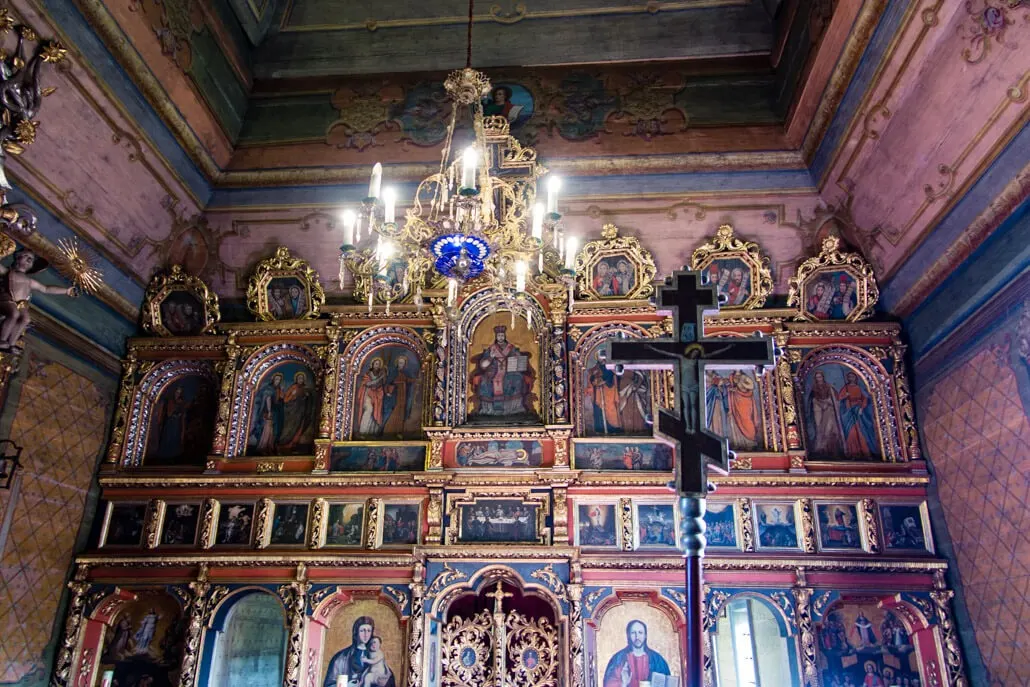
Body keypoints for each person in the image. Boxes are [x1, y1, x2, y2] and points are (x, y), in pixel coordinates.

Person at [0, 249, 76, 350]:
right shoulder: (9, 272)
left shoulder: (30, 281)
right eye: (26, 256)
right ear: (18, 258)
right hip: (7, 299)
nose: (28, 259)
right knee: (14, 314)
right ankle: (2, 339)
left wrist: (66, 291)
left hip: (21, 304)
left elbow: (46, 289)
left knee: (26, 319)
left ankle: (11, 343)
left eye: (31, 259)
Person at [469, 325, 535, 418]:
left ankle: (514, 408)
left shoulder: (511, 348)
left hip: (510, 371)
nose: (501, 337)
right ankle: (489, 409)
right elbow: (483, 365)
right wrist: (490, 357)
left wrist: (516, 357)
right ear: (496, 336)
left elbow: (519, 359)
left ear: (505, 336)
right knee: (485, 381)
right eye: (499, 335)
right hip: (493, 371)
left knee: (517, 379)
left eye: (502, 335)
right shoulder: (491, 349)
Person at [324, 617, 395, 687]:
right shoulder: (341, 657)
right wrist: (347, 685)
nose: (366, 634)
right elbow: (329, 684)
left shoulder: (376, 654)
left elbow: (387, 678)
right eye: (362, 631)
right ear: (356, 633)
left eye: (368, 631)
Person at [602, 620, 671, 687]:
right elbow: (609, 683)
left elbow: (667, 682)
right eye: (633, 633)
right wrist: (623, 683)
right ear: (628, 635)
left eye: (640, 633)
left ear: (645, 635)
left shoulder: (657, 660)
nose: (637, 637)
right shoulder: (618, 659)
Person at [838, 371, 878, 458]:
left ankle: (865, 452)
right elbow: (839, 398)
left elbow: (865, 399)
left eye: (852, 376)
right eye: (849, 377)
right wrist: (845, 395)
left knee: (861, 431)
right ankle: (853, 453)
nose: (851, 378)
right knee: (851, 432)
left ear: (856, 378)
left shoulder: (859, 388)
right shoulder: (845, 388)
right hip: (849, 412)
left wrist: (861, 408)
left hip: (858, 411)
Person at [807, 370, 845, 457]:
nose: (819, 379)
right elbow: (812, 401)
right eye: (817, 378)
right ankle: (821, 448)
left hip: (829, 410)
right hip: (819, 410)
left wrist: (829, 402)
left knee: (830, 428)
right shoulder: (814, 389)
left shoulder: (829, 387)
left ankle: (834, 449)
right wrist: (820, 403)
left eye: (820, 377)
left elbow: (835, 400)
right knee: (820, 428)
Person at [148, 384, 189, 462]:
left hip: (177, 424)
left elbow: (183, 414)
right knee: (168, 437)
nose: (178, 393)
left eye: (179, 392)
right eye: (177, 392)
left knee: (175, 438)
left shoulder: (182, 402)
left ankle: (175, 454)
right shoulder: (170, 401)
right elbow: (168, 413)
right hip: (170, 423)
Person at [382, 355, 418, 437]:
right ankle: (389, 430)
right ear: (397, 363)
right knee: (396, 410)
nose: (401, 364)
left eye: (402, 363)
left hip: (403, 393)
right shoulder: (394, 372)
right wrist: (387, 391)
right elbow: (387, 382)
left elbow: (407, 380)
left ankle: (398, 431)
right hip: (396, 393)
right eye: (400, 363)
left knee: (401, 411)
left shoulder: (403, 373)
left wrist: (416, 380)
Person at [250, 373, 284, 455]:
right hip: (268, 411)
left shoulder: (278, 389)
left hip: (276, 411)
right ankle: (263, 447)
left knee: (274, 430)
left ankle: (270, 447)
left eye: (279, 380)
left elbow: (280, 400)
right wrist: (269, 411)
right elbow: (267, 399)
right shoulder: (269, 388)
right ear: (273, 380)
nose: (277, 381)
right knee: (267, 429)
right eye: (276, 379)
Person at [726, 372, 761, 450]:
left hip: (745, 401)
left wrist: (741, 384)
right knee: (736, 420)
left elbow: (751, 386)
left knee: (746, 419)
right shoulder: (731, 376)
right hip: (735, 400)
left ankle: (751, 439)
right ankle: (740, 442)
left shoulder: (744, 376)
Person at [587, 359, 623, 434]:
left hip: (609, 392)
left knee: (611, 408)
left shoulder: (610, 368)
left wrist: (604, 381)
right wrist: (595, 381)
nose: (602, 360)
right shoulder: (595, 368)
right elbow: (592, 378)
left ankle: (613, 428)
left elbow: (612, 377)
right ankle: (600, 428)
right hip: (599, 393)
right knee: (599, 409)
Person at [356, 357, 391, 437]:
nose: (377, 365)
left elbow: (383, 384)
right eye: (376, 364)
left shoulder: (381, 374)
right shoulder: (368, 373)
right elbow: (368, 384)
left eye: (378, 364)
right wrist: (380, 378)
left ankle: (371, 432)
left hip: (377, 395)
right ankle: (363, 431)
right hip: (368, 394)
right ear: (372, 364)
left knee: (376, 412)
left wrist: (385, 375)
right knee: (369, 409)